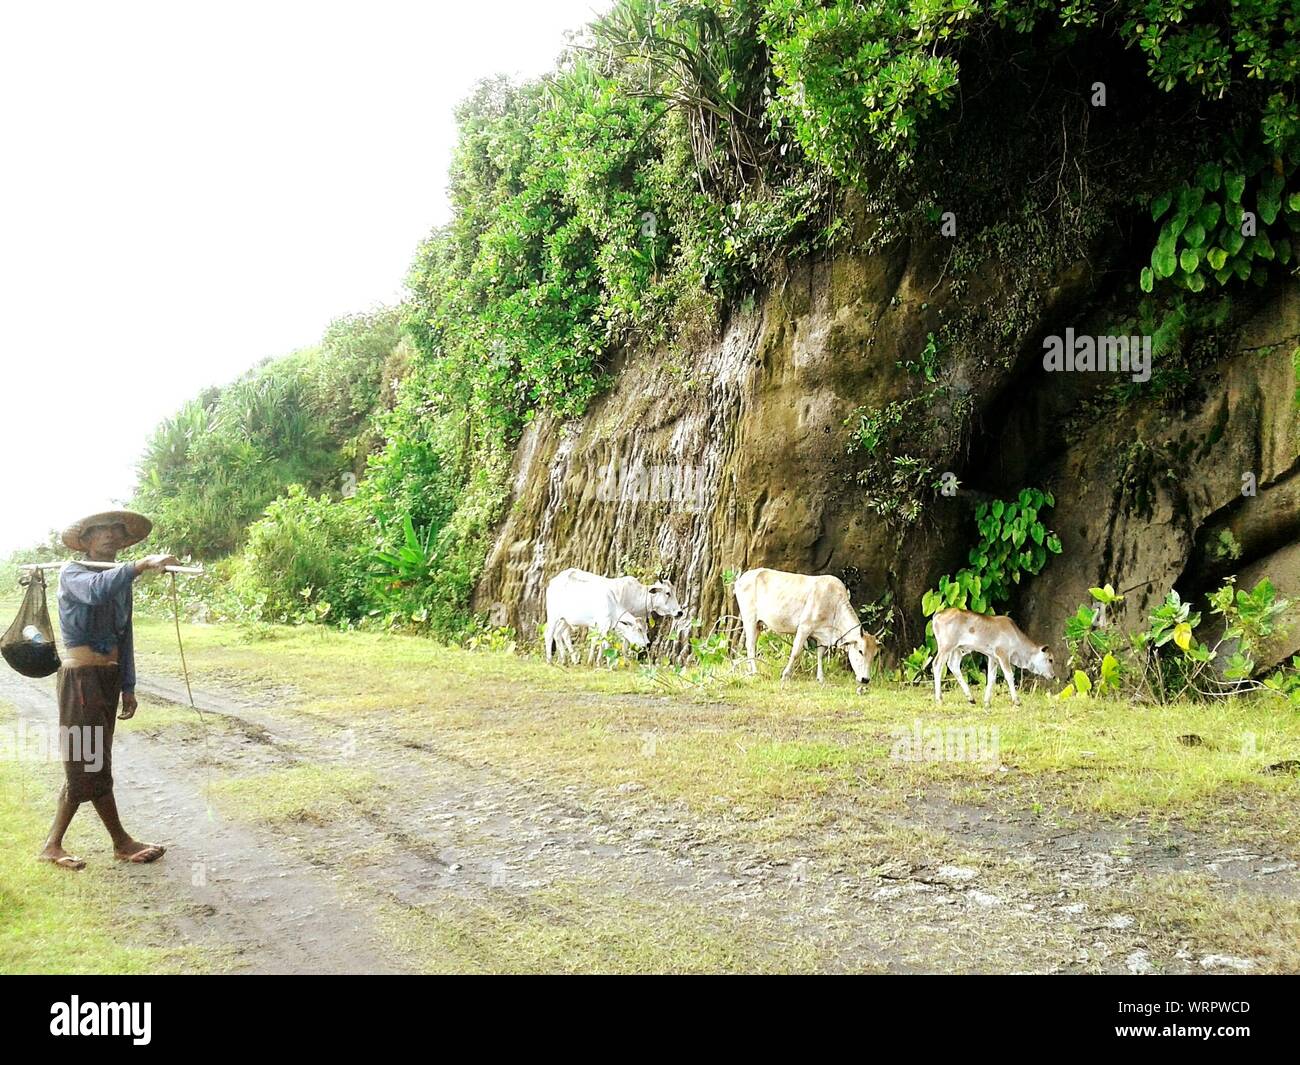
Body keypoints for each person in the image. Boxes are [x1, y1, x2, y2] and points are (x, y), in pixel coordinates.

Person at [38, 510, 179, 870]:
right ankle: (119, 842)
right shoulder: (73, 573)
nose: (111, 536)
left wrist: (128, 685)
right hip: (82, 680)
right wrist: (142, 564)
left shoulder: (120, 582)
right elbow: (96, 591)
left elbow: (125, 635)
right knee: (88, 762)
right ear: (84, 541)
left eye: (117, 531)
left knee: (88, 761)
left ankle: (54, 845)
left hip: (108, 679)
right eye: (101, 531)